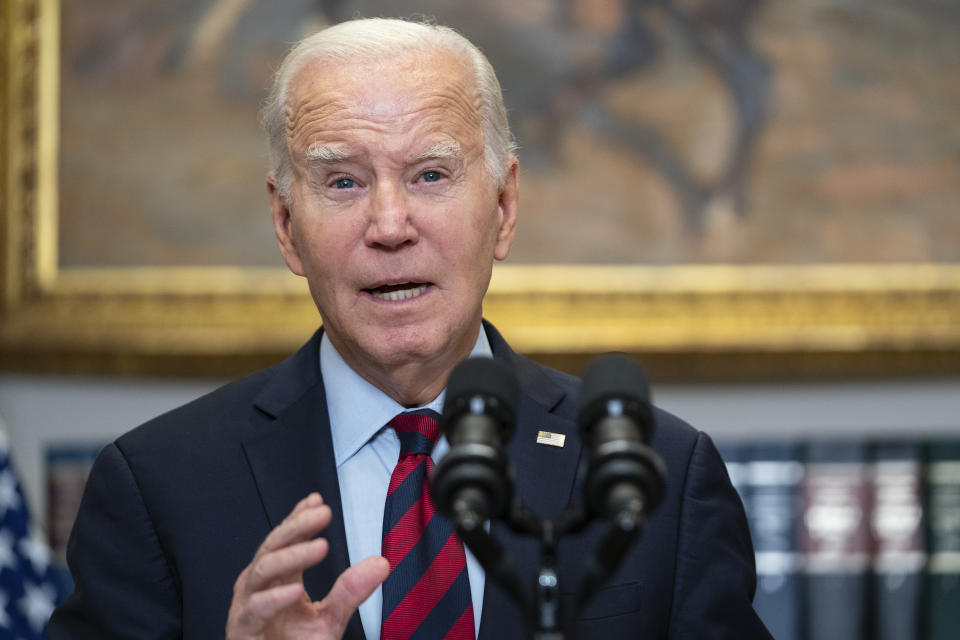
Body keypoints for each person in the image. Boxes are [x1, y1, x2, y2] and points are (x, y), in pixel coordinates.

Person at [47, 18, 771, 640]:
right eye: (343, 182)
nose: (390, 226)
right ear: (286, 226)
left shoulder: (664, 474)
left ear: (505, 208)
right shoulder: (155, 485)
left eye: (430, 175)